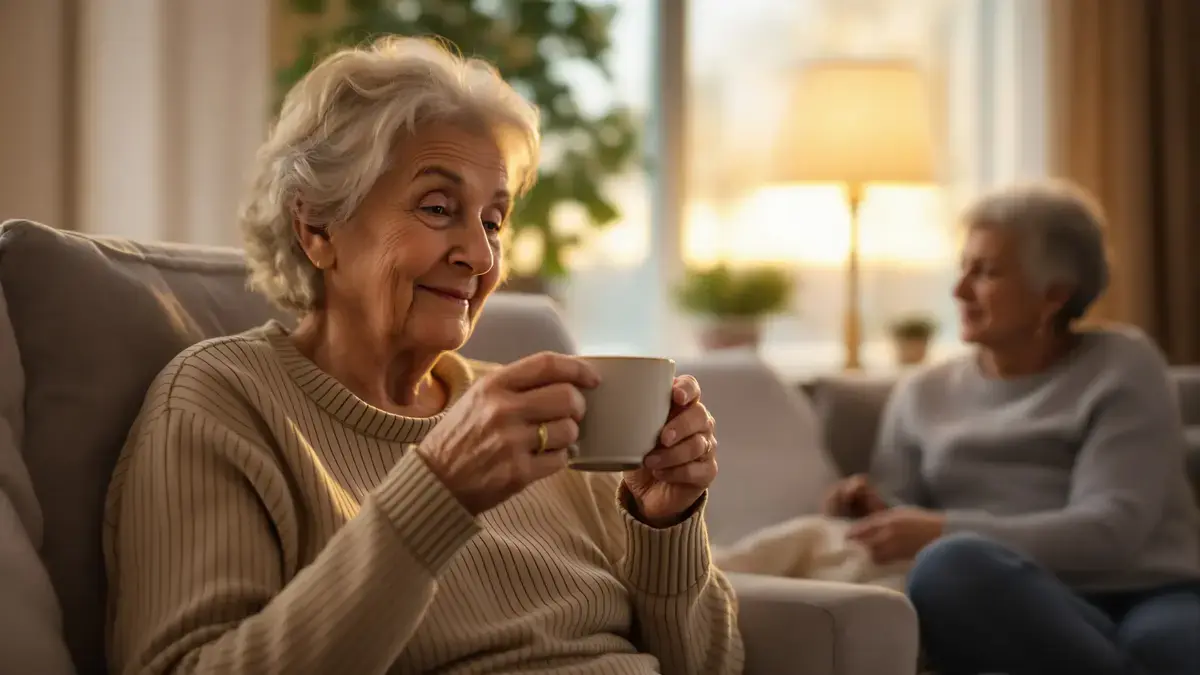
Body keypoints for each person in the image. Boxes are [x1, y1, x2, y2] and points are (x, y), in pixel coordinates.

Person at [103, 37, 743, 675]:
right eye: (439, 208)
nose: (482, 256)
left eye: (492, 221)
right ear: (317, 228)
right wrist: (436, 494)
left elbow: (710, 668)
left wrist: (667, 525)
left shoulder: (536, 416)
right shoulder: (223, 400)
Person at [823, 180, 1200, 675]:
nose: (959, 290)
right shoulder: (922, 393)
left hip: (1148, 589)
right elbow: (902, 520)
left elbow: (1111, 532)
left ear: (1054, 295)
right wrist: (869, 511)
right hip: (1013, 595)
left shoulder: (1123, 365)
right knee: (948, 569)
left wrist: (939, 529)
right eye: (963, 267)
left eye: (986, 272)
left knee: (1171, 651)